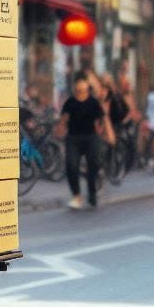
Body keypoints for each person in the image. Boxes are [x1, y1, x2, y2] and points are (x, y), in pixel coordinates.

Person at [59, 73, 115, 209]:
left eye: (83, 90)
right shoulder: (70, 102)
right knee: (71, 166)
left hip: (91, 138)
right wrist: (59, 130)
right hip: (73, 138)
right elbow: (64, 119)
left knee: (93, 166)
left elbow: (104, 118)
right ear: (75, 89)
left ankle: (92, 194)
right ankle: (77, 196)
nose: (80, 93)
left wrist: (110, 133)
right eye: (78, 90)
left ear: (87, 89)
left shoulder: (93, 102)